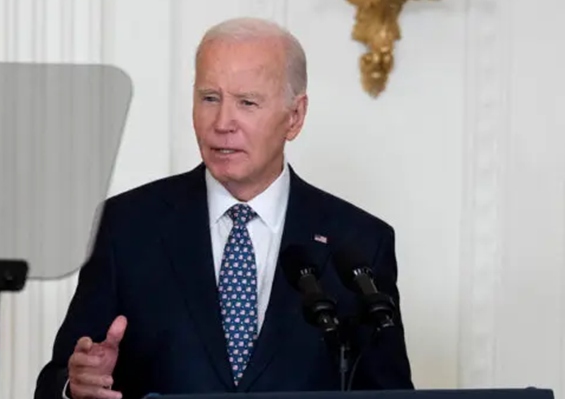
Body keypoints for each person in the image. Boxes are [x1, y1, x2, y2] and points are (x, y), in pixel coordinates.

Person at [34, 17, 413, 399]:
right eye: (209, 98)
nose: (222, 123)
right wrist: (75, 385)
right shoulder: (126, 226)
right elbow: (54, 381)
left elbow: (389, 391)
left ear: (294, 117)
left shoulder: (360, 242)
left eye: (247, 102)